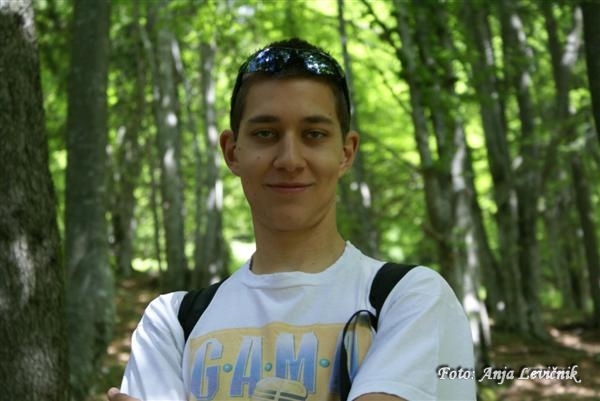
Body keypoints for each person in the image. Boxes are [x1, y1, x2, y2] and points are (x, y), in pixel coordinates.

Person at [107, 38, 476, 401]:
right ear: (232, 152)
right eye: (265, 134)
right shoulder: (172, 322)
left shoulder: (409, 298)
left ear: (346, 153)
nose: (289, 160)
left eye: (314, 135)